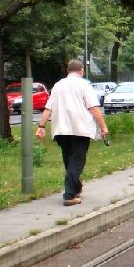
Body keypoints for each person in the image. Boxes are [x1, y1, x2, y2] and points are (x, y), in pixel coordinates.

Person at [35, 59, 109, 206]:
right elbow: (93, 108)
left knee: (69, 161)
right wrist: (103, 127)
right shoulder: (84, 85)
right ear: (81, 71)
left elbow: (48, 108)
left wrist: (41, 126)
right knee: (77, 162)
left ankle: (76, 188)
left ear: (68, 71)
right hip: (80, 129)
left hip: (61, 130)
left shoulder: (58, 85)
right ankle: (69, 195)